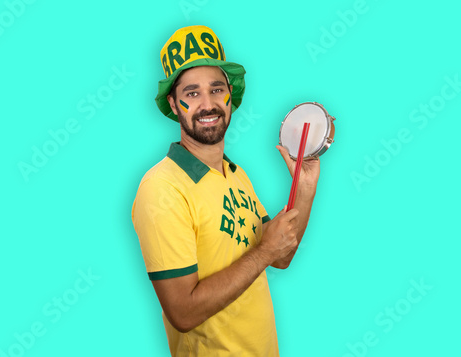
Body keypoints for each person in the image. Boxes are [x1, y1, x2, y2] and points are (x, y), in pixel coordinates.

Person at [132, 25, 320, 356]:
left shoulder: (236, 175)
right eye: (192, 94)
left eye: (217, 89)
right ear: (174, 105)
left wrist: (303, 188)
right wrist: (264, 252)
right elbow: (183, 313)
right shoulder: (161, 189)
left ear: (230, 96)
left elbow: (282, 255)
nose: (208, 104)